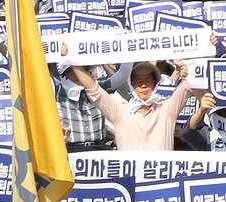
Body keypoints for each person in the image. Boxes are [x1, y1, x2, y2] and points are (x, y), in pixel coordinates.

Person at [60, 58, 195, 151]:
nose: (143, 85)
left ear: (155, 84)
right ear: (131, 86)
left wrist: (211, 46)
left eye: (148, 80)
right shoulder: (120, 112)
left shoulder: (167, 110)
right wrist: (71, 61)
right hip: (130, 186)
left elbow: (191, 82)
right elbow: (93, 88)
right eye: (138, 81)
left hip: (161, 185)